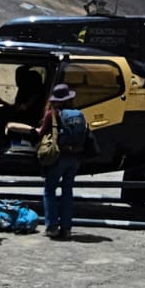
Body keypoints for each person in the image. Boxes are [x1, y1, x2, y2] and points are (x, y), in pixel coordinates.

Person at [35, 82, 83, 240]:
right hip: (74, 158)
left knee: (49, 191)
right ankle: (67, 228)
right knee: (67, 192)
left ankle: (52, 227)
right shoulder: (78, 114)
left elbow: (41, 133)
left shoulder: (53, 114)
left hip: (58, 158)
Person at [0, 65, 47, 142]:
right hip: (22, 114)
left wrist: (3, 103)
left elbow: (22, 108)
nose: (17, 79)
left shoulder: (35, 92)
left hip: (29, 116)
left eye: (19, 76)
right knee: (1, 111)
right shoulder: (23, 89)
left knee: (0, 112)